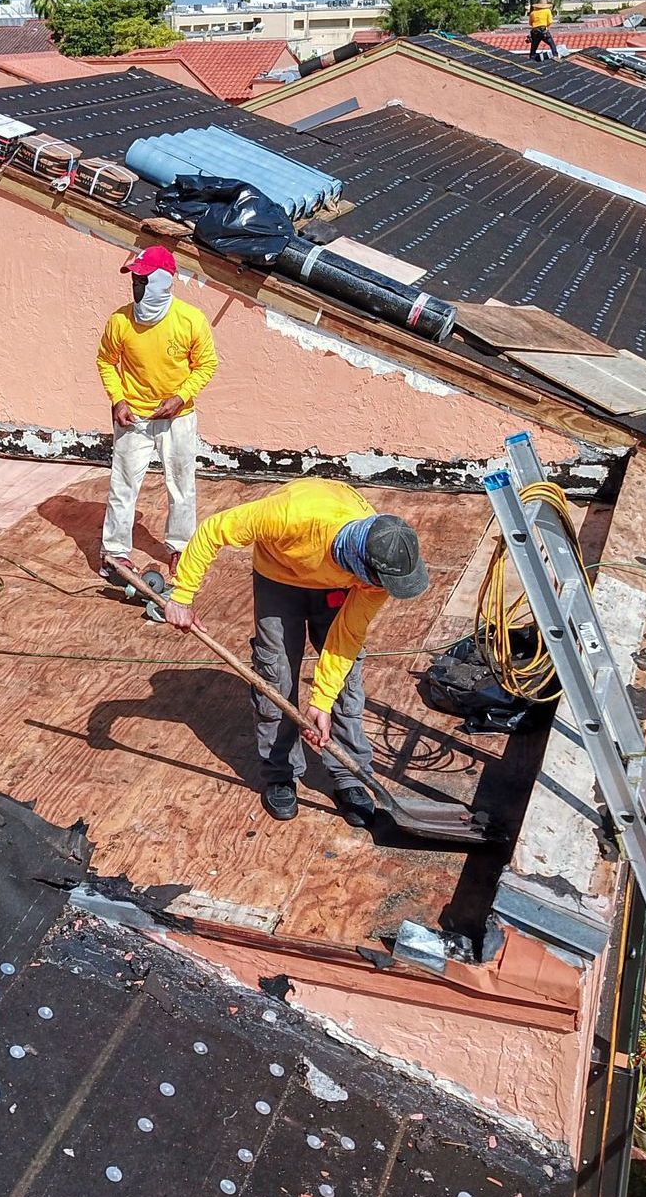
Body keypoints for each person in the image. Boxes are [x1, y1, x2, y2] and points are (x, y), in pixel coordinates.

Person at [163, 478, 430, 827]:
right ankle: (280, 773)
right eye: (377, 583)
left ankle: (351, 777)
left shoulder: (377, 577)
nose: (381, 590)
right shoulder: (290, 515)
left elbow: (345, 638)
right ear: (362, 564)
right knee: (275, 675)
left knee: (346, 682)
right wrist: (182, 596)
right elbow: (214, 530)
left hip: (337, 586)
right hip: (280, 576)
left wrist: (320, 702)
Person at [96, 245, 219, 581]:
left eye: (143, 280)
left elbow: (206, 364)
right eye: (134, 280)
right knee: (122, 486)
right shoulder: (120, 321)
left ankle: (180, 548)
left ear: (163, 282)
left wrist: (182, 396)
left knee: (181, 485)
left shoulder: (190, 320)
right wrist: (118, 399)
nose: (136, 287)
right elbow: (106, 361)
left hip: (177, 420)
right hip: (134, 419)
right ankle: (115, 555)